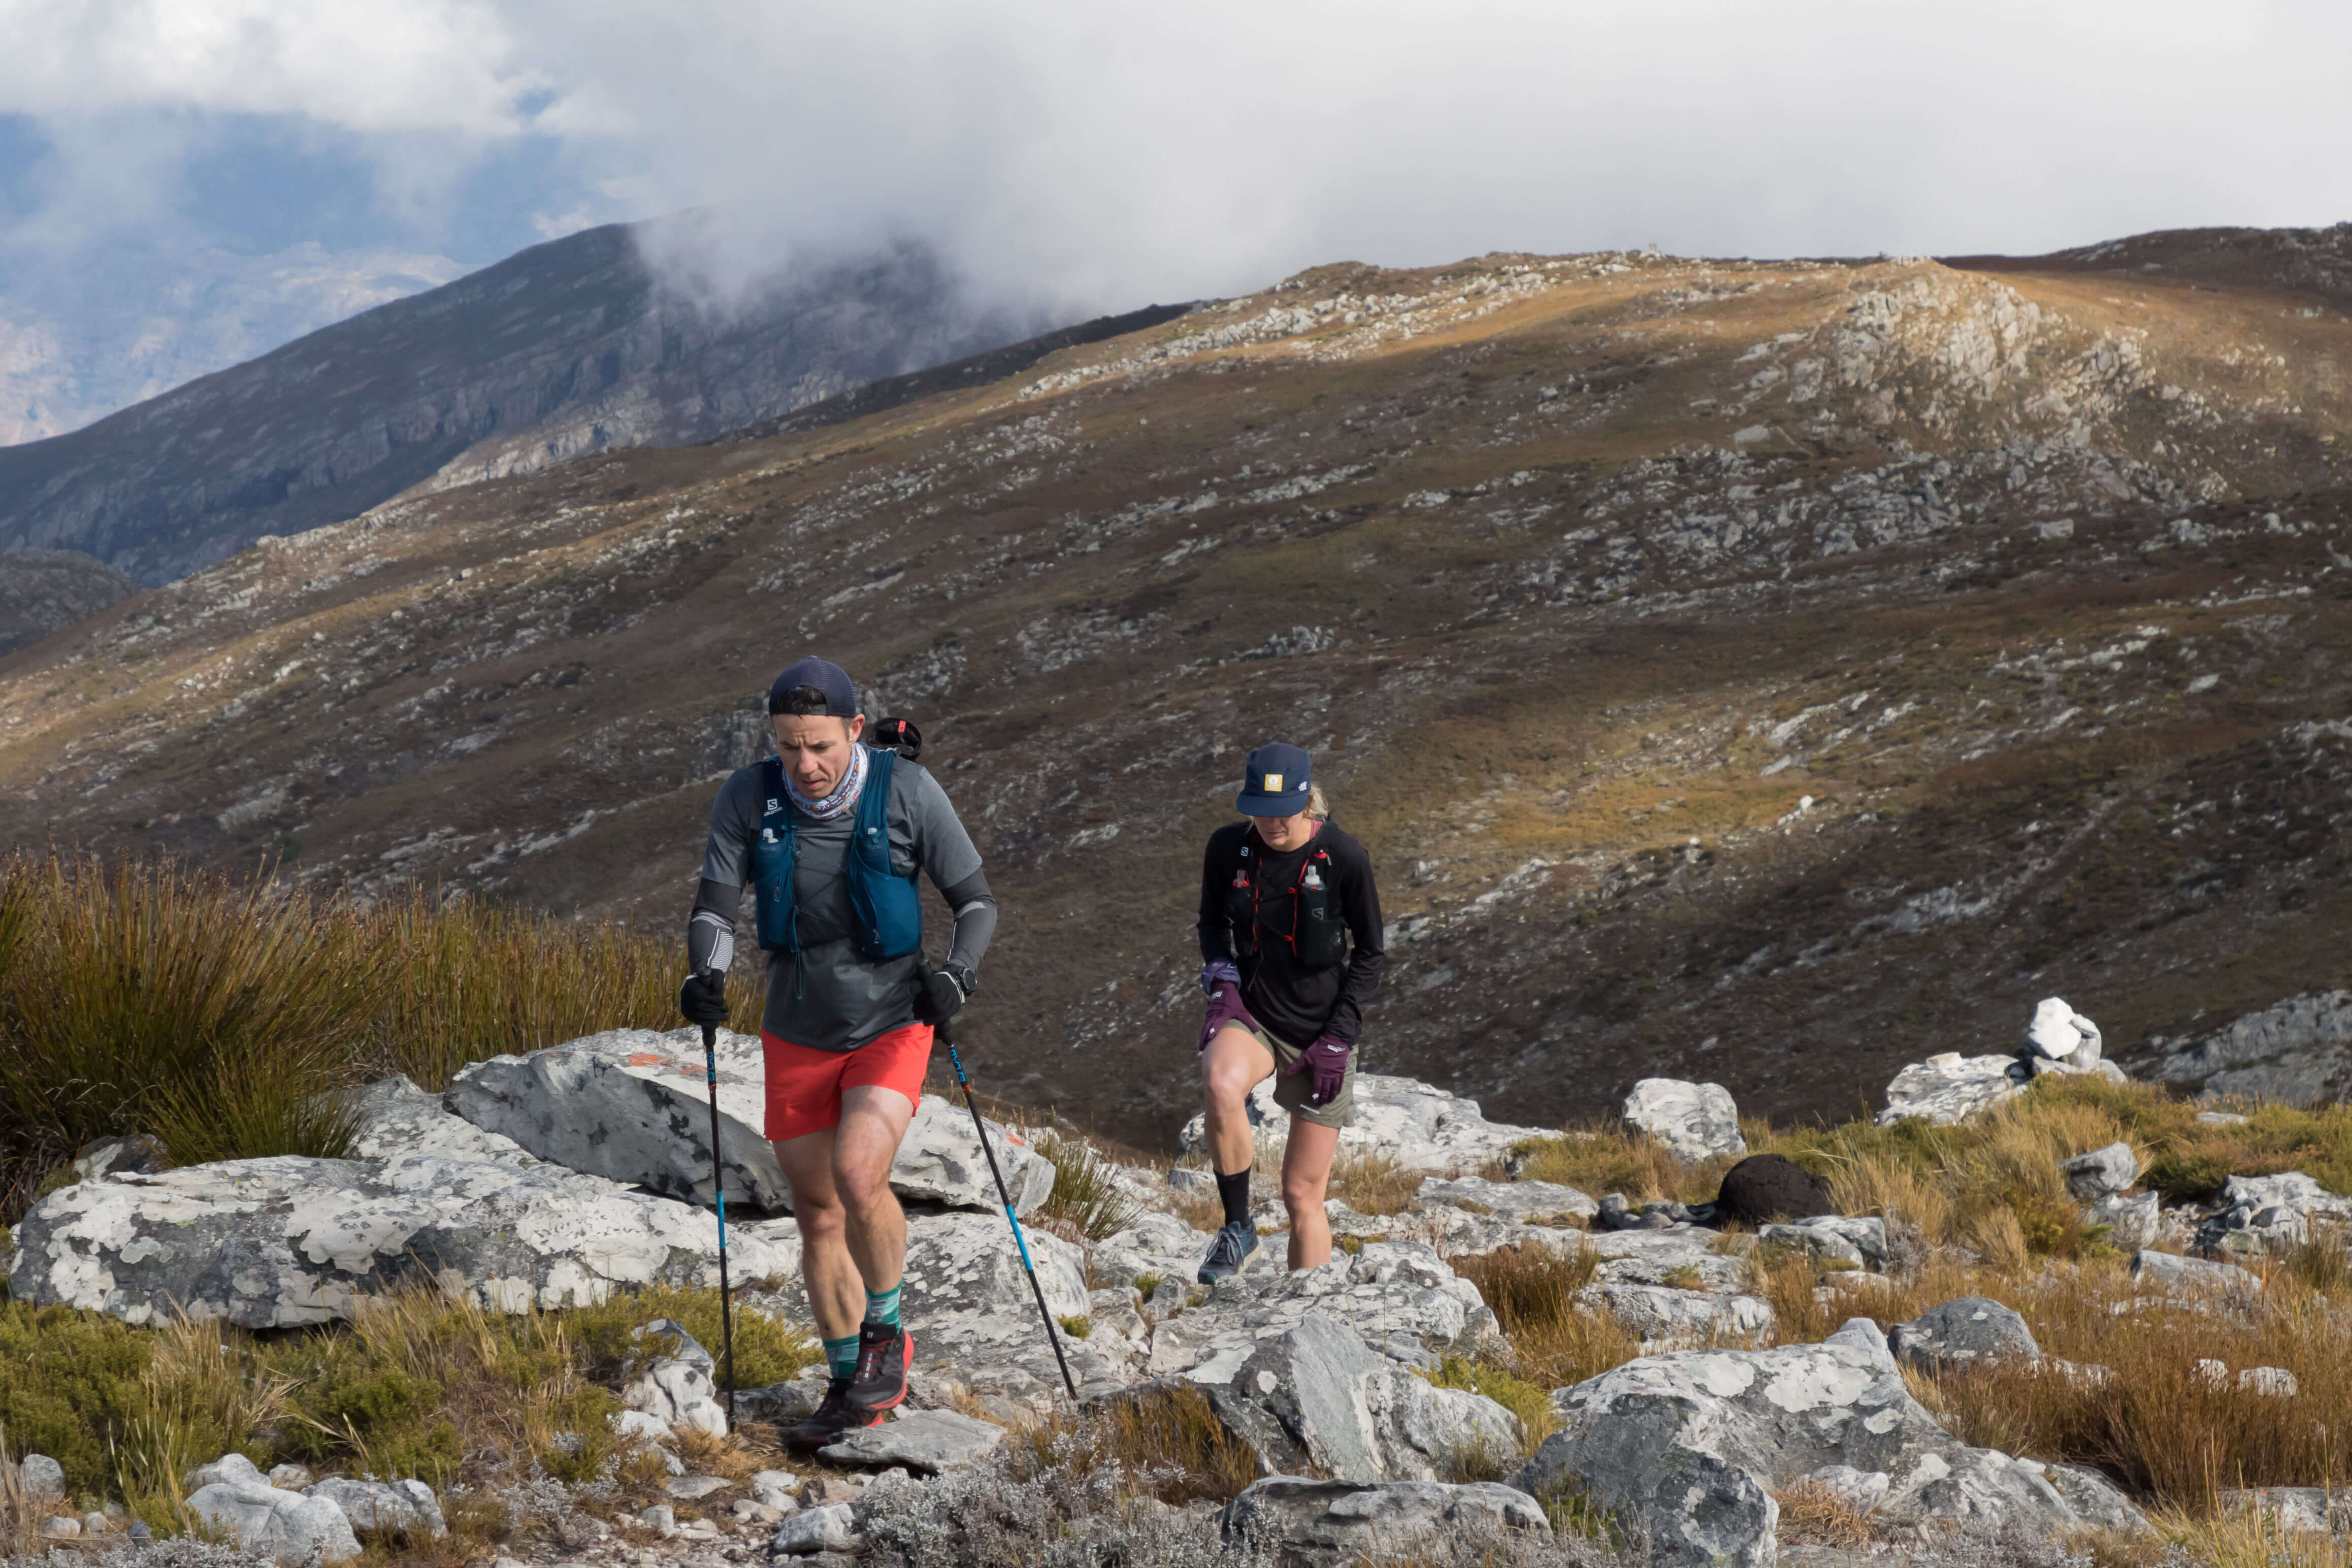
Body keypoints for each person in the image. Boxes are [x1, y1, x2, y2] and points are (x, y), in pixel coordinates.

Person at [677, 655, 996, 1449]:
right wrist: (706, 977)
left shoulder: (910, 793)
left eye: (819, 745)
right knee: (816, 1213)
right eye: (788, 747)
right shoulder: (748, 798)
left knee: (859, 1174)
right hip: (795, 1026)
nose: (805, 766)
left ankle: (888, 1333)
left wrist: (957, 977)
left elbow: (977, 903)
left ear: (855, 729)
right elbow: (716, 906)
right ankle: (847, 1385)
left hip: (892, 1018)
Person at [1193, 742, 1386, 1282]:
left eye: (1283, 812)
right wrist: (1221, 978)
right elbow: (1212, 924)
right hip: (1254, 1012)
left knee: (1302, 1193)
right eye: (1260, 809)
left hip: (1320, 1032)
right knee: (1220, 1080)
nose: (1272, 823)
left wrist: (1339, 1037)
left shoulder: (1345, 857)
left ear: (1308, 802)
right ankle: (1238, 1230)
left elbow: (1371, 951)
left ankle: (1308, 1313)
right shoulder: (1229, 848)